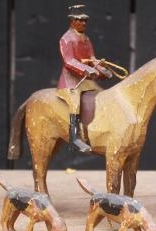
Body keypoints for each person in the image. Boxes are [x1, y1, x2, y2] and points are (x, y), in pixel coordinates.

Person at [57, 4, 112, 152]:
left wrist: (102, 70)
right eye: (80, 20)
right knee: (75, 102)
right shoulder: (66, 39)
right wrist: (86, 69)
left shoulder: (86, 39)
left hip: (86, 81)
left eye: (85, 21)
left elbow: (92, 58)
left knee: (102, 95)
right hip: (71, 82)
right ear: (72, 21)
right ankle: (74, 138)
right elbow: (69, 61)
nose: (83, 23)